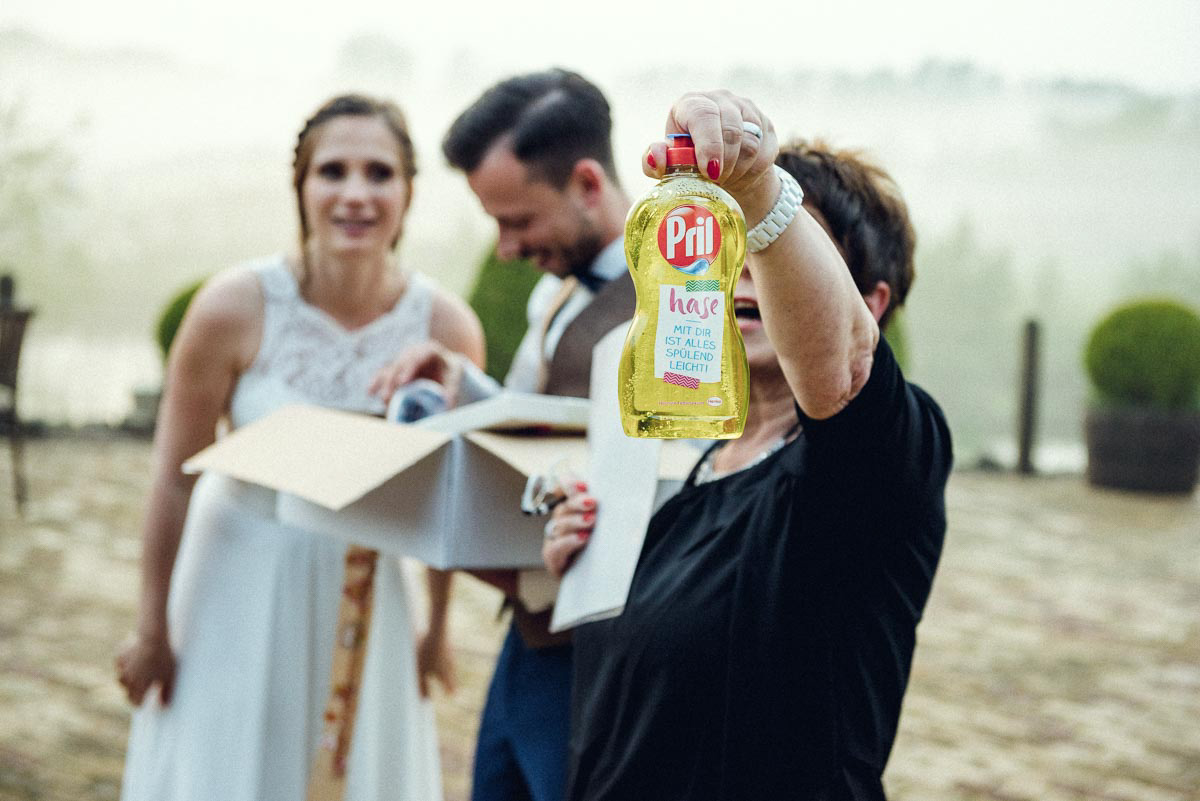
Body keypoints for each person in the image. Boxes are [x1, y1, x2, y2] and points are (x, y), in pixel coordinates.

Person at [542, 91, 953, 800]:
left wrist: (759, 187)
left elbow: (844, 372)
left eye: (778, 246)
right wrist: (585, 564)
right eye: (735, 241)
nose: (743, 270)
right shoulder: (703, 461)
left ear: (871, 304)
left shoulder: (887, 457)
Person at [115, 93, 485, 801]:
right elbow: (172, 477)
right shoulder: (233, 306)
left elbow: (449, 490)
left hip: (373, 589)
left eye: (379, 173)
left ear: (408, 192)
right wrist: (151, 628)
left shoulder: (445, 324)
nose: (355, 194)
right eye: (332, 171)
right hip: (238, 580)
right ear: (301, 186)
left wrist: (437, 626)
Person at [370, 69, 632, 801]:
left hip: (598, 667)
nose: (507, 248)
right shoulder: (556, 290)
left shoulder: (682, 307)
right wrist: (463, 385)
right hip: (527, 639)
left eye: (518, 221)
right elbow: (541, 415)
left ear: (587, 183)